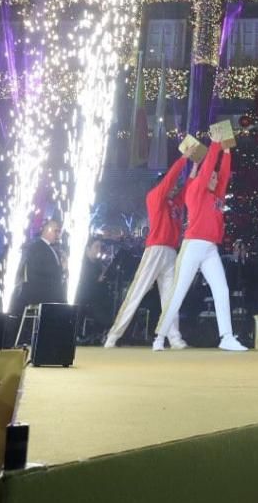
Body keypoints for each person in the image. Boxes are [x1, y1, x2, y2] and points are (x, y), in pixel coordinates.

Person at [155, 126, 248, 351]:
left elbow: (223, 174)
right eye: (211, 176)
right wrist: (215, 145)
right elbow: (207, 170)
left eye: (216, 177)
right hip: (193, 246)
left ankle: (226, 337)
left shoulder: (216, 196)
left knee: (221, 290)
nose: (215, 178)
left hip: (210, 249)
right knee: (178, 292)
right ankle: (159, 337)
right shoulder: (195, 191)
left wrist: (227, 151)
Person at [104, 141, 197, 348]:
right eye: (171, 185)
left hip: (171, 252)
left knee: (170, 296)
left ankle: (174, 337)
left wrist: (195, 165)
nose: (175, 187)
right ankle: (113, 335)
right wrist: (184, 158)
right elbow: (170, 179)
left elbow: (187, 189)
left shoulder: (174, 203)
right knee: (137, 291)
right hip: (155, 249)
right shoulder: (155, 197)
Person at [19, 218, 67, 313]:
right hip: (42, 296)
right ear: (48, 229)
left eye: (59, 232)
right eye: (56, 231)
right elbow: (40, 271)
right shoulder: (37, 247)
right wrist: (61, 268)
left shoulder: (49, 248)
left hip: (50, 297)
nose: (58, 235)